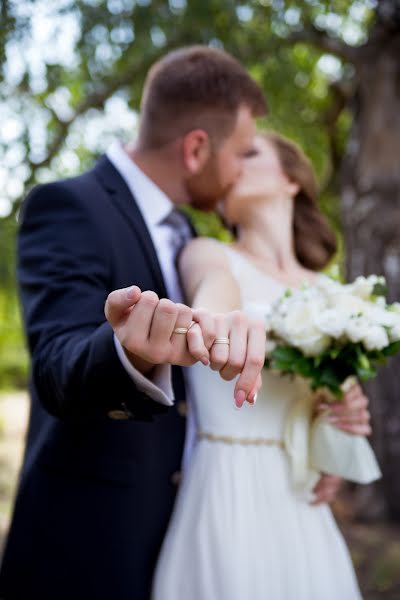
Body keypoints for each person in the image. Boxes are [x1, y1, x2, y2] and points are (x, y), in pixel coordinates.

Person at [0, 46, 268, 600]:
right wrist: (127, 351)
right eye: (241, 153)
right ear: (196, 148)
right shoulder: (67, 204)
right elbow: (56, 364)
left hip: (189, 541)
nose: (241, 170)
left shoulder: (194, 238)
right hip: (88, 550)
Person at [152, 132, 370, 599]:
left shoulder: (332, 294)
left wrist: (341, 420)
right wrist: (218, 319)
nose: (233, 165)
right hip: (225, 483)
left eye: (249, 154)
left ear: (290, 180)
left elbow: (324, 403)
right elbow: (215, 290)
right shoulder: (209, 253)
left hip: (300, 495)